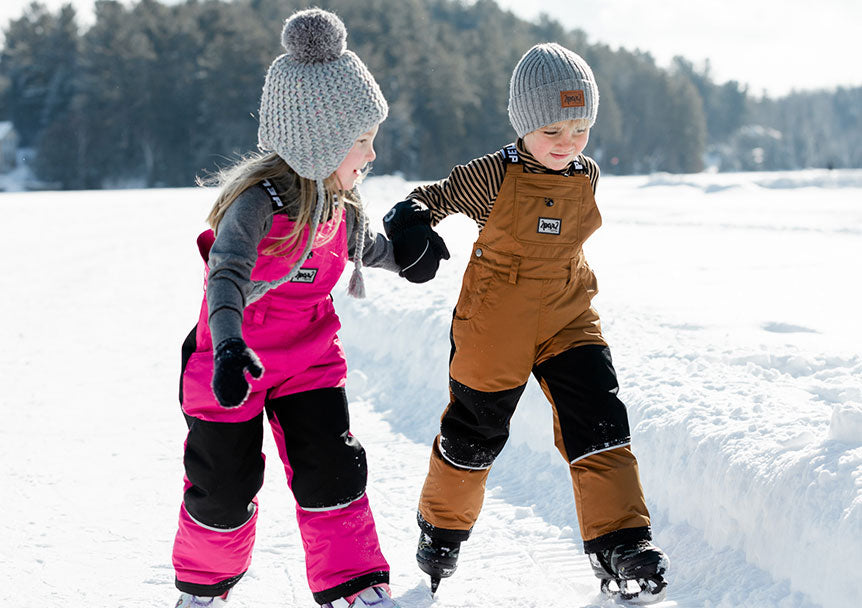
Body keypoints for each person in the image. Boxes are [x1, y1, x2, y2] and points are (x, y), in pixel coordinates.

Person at [170, 9, 443, 608]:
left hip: (309, 360)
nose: (371, 154)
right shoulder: (256, 204)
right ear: (319, 138)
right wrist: (229, 340)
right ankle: (203, 589)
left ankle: (354, 584)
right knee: (224, 485)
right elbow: (228, 273)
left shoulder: (337, 202)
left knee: (333, 467)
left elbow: (362, 246)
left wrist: (407, 258)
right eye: (362, 141)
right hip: (231, 360)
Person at [382, 43, 669, 603]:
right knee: (476, 433)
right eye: (552, 130)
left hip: (568, 313)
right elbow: (429, 197)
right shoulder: (493, 174)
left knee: (600, 417)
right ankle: (440, 529)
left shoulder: (585, 173)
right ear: (523, 124)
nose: (567, 144)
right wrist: (412, 222)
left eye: (580, 128)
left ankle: (622, 542)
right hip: (495, 321)